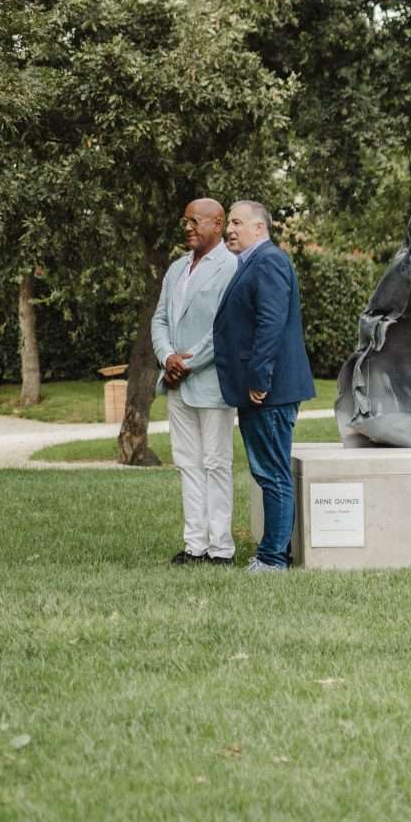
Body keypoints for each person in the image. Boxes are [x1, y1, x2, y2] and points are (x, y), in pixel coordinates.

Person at [208, 199, 315, 573]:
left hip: (269, 390)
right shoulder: (252, 262)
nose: (229, 229)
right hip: (262, 389)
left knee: (273, 474)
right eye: (229, 223)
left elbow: (271, 323)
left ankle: (272, 559)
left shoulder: (268, 260)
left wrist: (259, 379)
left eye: (237, 222)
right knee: (268, 472)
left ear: (260, 227)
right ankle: (274, 553)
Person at [152, 198, 239, 565]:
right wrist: (167, 357)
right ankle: (195, 546)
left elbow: (226, 328)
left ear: (217, 223)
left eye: (194, 221)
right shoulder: (176, 269)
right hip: (176, 383)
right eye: (184, 221)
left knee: (216, 463)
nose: (187, 227)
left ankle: (221, 549)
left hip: (212, 382)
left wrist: (187, 363)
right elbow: (160, 319)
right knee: (187, 463)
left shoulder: (231, 266)